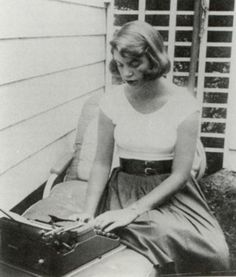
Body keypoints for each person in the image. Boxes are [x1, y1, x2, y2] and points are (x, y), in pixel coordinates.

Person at [81, 21, 230, 275]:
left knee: (215, 252)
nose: (126, 73)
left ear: (153, 58)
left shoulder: (184, 104)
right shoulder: (111, 101)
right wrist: (87, 212)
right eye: (120, 64)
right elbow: (101, 163)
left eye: (134, 63)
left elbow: (181, 174)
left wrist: (134, 211)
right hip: (124, 187)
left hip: (172, 192)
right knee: (111, 233)